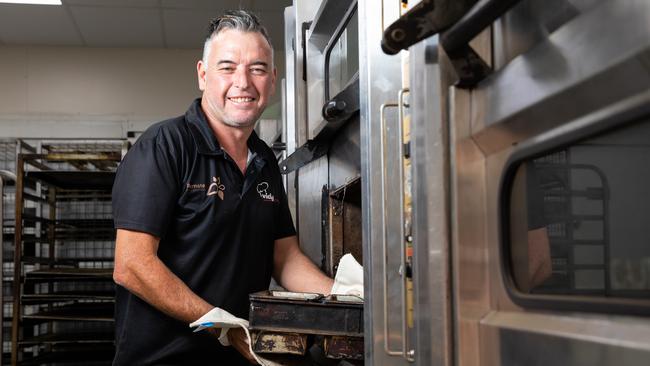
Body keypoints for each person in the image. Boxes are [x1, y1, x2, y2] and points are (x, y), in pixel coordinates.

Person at [111, 10, 334, 365]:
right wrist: (224, 328)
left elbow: (285, 257)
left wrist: (345, 297)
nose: (243, 82)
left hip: (240, 358)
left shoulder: (264, 160)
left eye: (257, 68)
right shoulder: (165, 146)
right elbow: (132, 264)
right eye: (227, 67)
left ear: (272, 80)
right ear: (203, 75)